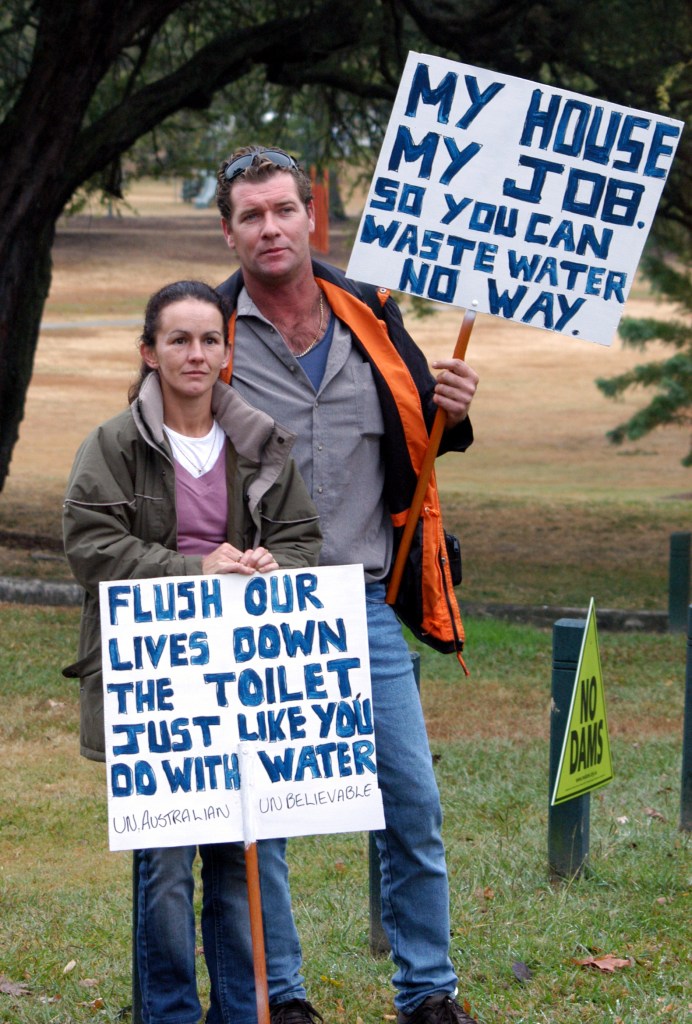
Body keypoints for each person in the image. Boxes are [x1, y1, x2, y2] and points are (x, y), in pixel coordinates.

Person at [214, 147, 481, 1024]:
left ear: (310, 218)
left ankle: (428, 994)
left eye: (283, 209)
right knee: (260, 817)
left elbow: (425, 436)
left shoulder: (371, 313)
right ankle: (280, 998)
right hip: (253, 609)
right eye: (251, 215)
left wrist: (456, 405)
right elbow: (162, 456)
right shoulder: (205, 330)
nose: (270, 227)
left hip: (364, 601)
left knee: (410, 803)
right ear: (230, 231)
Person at [62, 280, 323, 1024]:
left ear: (228, 351)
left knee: (238, 860)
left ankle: (242, 1011)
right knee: (168, 868)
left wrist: (280, 567)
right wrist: (192, 570)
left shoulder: (260, 439)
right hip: (158, 680)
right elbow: (90, 548)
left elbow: (303, 538)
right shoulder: (113, 445)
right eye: (178, 339)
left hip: (244, 677)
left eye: (210, 339)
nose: (195, 353)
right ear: (149, 352)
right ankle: (169, 1012)